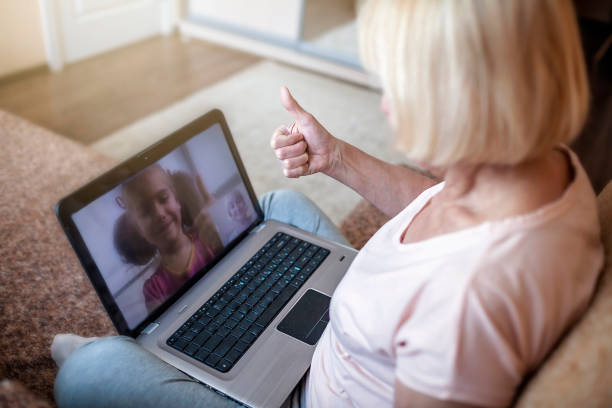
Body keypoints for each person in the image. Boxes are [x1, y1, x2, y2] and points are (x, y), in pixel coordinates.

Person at [52, 0, 604, 407]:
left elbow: (456, 281)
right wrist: (335, 157)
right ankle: (209, 338)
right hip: (355, 332)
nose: (386, 106)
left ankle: (166, 360)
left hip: (314, 393)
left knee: (90, 371)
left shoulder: (470, 303)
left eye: (397, 87)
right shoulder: (545, 164)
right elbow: (440, 208)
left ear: (463, 98)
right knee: (277, 204)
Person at [118, 164, 217, 312]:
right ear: (140, 231)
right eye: (145, 211)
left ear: (177, 200)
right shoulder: (153, 289)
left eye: (163, 199)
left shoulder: (210, 239)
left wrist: (223, 222)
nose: (159, 214)